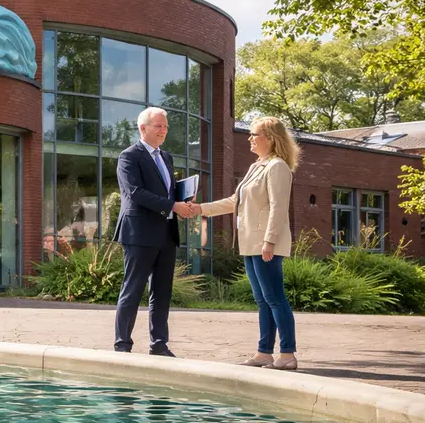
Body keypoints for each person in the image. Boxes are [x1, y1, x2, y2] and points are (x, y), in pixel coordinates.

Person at [191, 116, 301, 370]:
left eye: (254, 134)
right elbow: (234, 201)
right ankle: (264, 352)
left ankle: (287, 354)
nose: (249, 138)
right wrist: (200, 209)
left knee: (275, 298)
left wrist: (270, 241)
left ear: (270, 139)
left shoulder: (277, 167)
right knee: (263, 299)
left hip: (265, 243)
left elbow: (278, 207)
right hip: (251, 243)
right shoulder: (257, 167)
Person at [112, 107, 197, 356]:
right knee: (133, 289)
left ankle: (159, 344)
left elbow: (167, 191)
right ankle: (122, 345)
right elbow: (135, 192)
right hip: (139, 233)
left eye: (166, 126)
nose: (164, 131)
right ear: (143, 128)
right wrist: (172, 205)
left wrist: (184, 199)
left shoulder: (166, 157)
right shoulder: (129, 156)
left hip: (166, 232)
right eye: (159, 126)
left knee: (162, 292)